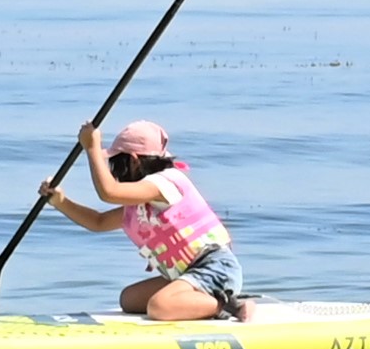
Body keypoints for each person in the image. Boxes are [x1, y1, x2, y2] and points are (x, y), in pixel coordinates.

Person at [50, 118, 256, 320]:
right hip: (187, 272)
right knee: (129, 300)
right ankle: (193, 303)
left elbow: (109, 193)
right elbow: (98, 222)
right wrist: (60, 202)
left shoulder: (165, 183)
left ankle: (228, 305)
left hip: (215, 267)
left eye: (116, 165)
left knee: (158, 307)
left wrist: (92, 148)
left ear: (133, 160)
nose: (115, 172)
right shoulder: (141, 205)